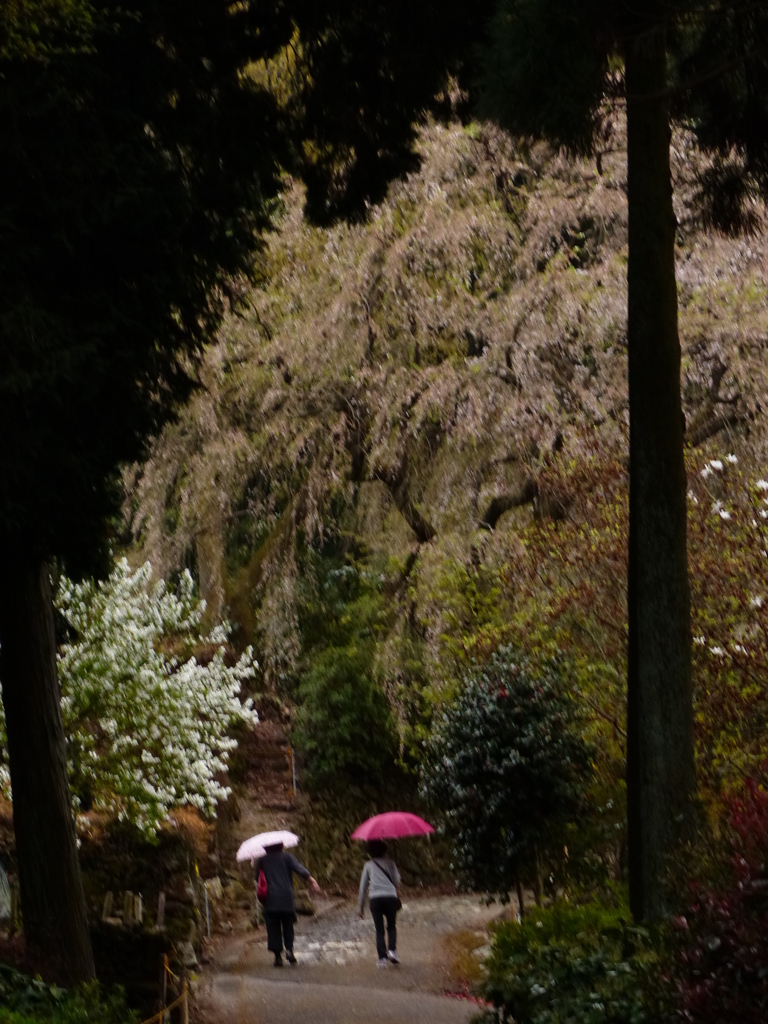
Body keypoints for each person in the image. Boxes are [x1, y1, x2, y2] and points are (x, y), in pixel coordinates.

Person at [255, 842, 321, 966]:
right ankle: (289, 951)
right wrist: (312, 880)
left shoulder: (262, 860)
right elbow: (299, 869)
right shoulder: (287, 857)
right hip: (286, 897)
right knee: (287, 925)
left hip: (270, 898)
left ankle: (277, 957)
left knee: (273, 928)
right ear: (281, 845)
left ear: (266, 847)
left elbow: (257, 878)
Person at [357, 839, 401, 967]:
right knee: (391, 925)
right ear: (384, 850)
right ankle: (392, 951)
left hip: (375, 899)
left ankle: (382, 959)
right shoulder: (391, 863)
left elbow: (363, 887)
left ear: (370, 852)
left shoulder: (368, 865)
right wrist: (397, 896)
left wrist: (361, 908)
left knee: (379, 929)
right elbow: (397, 882)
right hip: (390, 897)